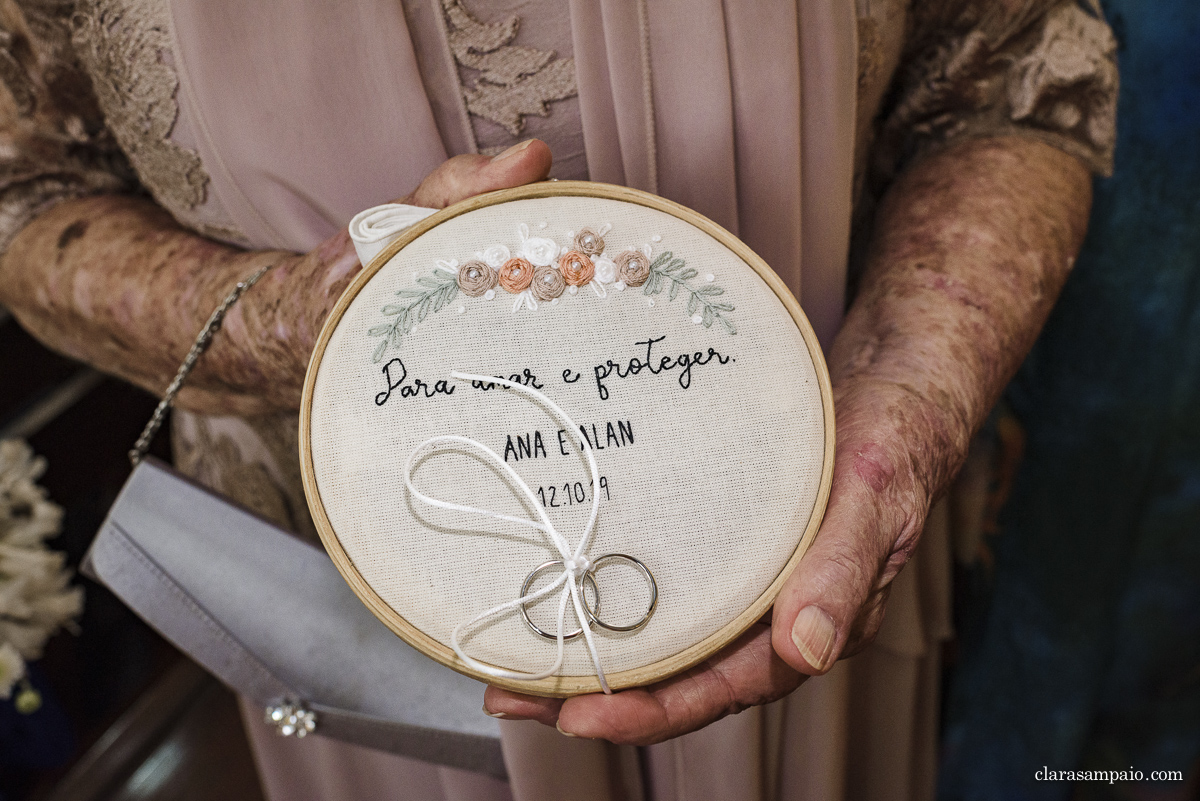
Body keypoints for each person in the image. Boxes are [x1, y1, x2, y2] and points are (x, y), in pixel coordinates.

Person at [0, 0, 1116, 798]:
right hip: (356, 602)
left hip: (813, 524)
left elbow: (1015, 74)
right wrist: (296, 319)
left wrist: (906, 404)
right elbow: (23, 188)